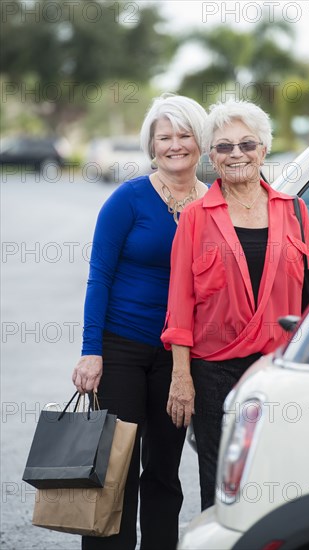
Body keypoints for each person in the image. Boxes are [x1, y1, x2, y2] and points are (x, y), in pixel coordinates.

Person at [161, 99, 309, 511]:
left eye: (247, 144)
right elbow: (180, 303)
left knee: (278, 472)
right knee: (217, 478)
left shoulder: (295, 211)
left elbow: (307, 302)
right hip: (212, 371)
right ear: (211, 156)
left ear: (264, 149)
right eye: (224, 147)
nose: (236, 154)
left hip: (275, 369)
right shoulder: (195, 217)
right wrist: (182, 377)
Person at [72, 94, 208, 550]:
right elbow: (99, 276)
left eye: (184, 135)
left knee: (165, 470)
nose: (175, 145)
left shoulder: (212, 206)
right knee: (117, 469)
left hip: (179, 356)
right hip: (122, 348)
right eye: (164, 136)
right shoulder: (127, 199)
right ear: (151, 145)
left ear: (200, 141)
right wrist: (92, 351)